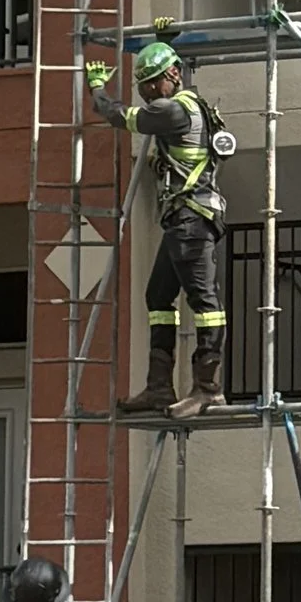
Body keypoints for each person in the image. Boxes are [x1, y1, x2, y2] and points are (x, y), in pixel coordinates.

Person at [88, 31, 232, 417]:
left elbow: (118, 116)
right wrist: (165, 36)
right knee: (158, 299)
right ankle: (158, 388)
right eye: (143, 86)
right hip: (181, 222)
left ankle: (207, 388)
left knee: (206, 304)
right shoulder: (186, 105)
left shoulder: (173, 110)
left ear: (172, 75)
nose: (148, 92)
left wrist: (98, 89)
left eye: (152, 83)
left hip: (192, 221)